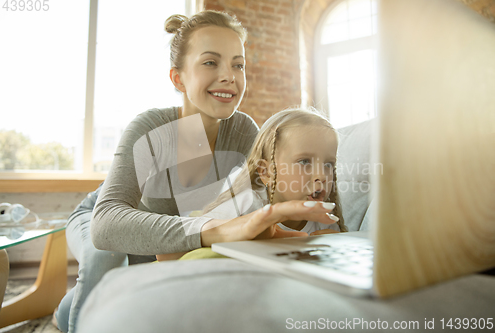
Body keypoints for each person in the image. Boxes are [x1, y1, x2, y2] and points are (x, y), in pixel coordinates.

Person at [55, 10, 335, 332]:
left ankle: (63, 310)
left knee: (91, 300)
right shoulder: (150, 128)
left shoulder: (244, 131)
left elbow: (262, 196)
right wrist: (211, 229)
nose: (230, 76)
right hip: (99, 215)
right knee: (105, 256)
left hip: (159, 248)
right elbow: (105, 224)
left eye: (238, 64)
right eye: (210, 63)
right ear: (178, 78)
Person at [156, 107, 347, 261]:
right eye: (304, 162)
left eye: (329, 164)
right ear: (266, 173)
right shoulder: (245, 204)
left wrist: (332, 246)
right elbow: (165, 253)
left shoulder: (324, 219)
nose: (322, 175)